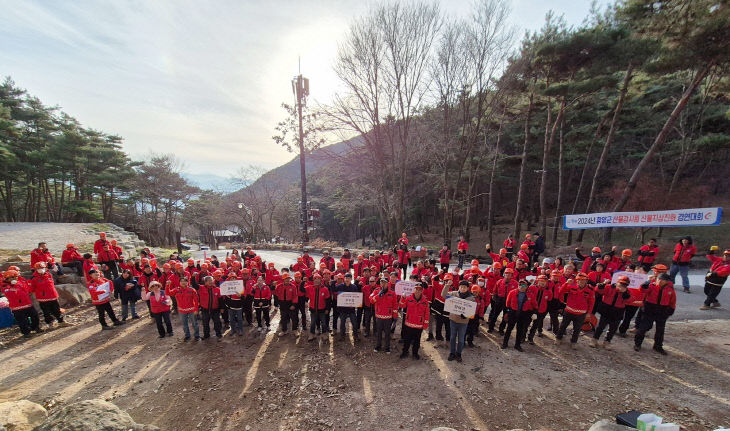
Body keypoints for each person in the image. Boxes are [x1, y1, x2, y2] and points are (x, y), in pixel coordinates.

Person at [634, 273, 676, 354]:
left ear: (666, 281)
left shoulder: (670, 289)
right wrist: (646, 283)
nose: (659, 282)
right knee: (643, 327)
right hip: (650, 309)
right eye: (658, 280)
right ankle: (637, 344)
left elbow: (672, 301)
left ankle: (658, 346)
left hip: (662, 310)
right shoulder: (652, 286)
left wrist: (671, 310)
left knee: (660, 330)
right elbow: (642, 290)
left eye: (662, 280)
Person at [555, 272, 595, 349]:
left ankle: (574, 342)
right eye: (579, 280)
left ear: (586, 281)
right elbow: (561, 292)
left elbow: (591, 302)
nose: (581, 281)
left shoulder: (590, 290)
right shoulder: (571, 286)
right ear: (576, 280)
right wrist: (566, 283)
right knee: (563, 326)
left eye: (583, 280)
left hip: (581, 314)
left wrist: (588, 313)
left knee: (577, 329)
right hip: (569, 311)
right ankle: (558, 338)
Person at [591, 276, 631, 349]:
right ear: (617, 282)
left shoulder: (627, 292)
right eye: (621, 284)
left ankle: (607, 342)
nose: (622, 286)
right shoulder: (609, 287)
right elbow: (597, 290)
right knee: (600, 326)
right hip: (606, 310)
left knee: (613, 329)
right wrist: (602, 284)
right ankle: (594, 340)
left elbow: (630, 300)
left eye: (625, 285)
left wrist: (625, 294)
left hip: (617, 312)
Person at [1, 270, 42, 338]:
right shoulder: (5, 287)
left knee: (35, 316)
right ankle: (26, 333)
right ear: (7, 279)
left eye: (15, 277)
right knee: (22, 321)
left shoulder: (20, 283)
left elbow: (27, 289)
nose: (14, 279)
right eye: (12, 277)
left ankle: (35, 327)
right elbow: (9, 294)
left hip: (28, 304)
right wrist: (13, 286)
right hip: (17, 307)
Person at [443, 280, 476, 362]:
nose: (462, 288)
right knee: (452, 337)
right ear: (459, 287)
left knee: (461, 339)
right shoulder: (453, 294)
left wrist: (466, 315)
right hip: (453, 320)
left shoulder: (471, 298)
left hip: (463, 323)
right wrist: (447, 285)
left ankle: (458, 354)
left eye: (464, 287)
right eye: (461, 287)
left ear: (468, 288)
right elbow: (443, 295)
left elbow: (472, 311)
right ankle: (452, 353)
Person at [29, 262, 69, 327]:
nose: (41, 269)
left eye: (42, 268)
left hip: (53, 296)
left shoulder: (49, 275)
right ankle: (50, 323)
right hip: (42, 298)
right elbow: (31, 289)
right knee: (46, 312)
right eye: (39, 268)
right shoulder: (33, 278)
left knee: (57, 310)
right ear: (36, 269)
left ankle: (61, 321)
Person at [502, 280, 537, 351]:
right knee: (509, 329)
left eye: (523, 285)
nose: (521, 286)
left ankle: (517, 345)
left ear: (527, 287)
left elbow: (534, 304)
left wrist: (534, 313)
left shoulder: (530, 295)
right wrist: (508, 312)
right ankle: (504, 344)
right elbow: (507, 304)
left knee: (520, 330)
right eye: (520, 284)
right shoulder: (512, 292)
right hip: (513, 313)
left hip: (523, 314)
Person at [400, 282, 429, 359]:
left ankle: (415, 353)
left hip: (419, 325)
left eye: (420, 289)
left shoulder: (425, 301)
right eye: (416, 289)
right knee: (407, 339)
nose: (418, 291)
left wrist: (425, 324)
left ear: (422, 290)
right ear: (414, 289)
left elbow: (427, 313)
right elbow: (402, 305)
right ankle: (405, 352)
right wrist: (402, 298)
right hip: (409, 324)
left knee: (417, 340)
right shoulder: (408, 298)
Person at [370, 278, 398, 353]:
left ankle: (387, 347)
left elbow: (395, 305)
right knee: (378, 332)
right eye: (382, 282)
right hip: (379, 316)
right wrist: (378, 295)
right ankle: (378, 346)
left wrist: (395, 316)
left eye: (385, 282)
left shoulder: (392, 293)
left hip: (388, 317)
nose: (383, 284)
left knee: (387, 333)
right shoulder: (376, 291)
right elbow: (371, 300)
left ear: (387, 283)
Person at [488, 267, 517, 333]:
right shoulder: (499, 282)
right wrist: (494, 297)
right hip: (499, 300)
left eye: (509, 274)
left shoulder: (515, 283)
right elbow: (495, 290)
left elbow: (517, 293)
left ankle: (501, 329)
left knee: (506, 316)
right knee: (495, 314)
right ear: (504, 274)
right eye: (506, 274)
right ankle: (491, 327)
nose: (507, 275)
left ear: (512, 275)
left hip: (508, 302)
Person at [335, 273, 360, 341]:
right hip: (342, 309)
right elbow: (334, 290)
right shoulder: (340, 286)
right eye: (346, 278)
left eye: (348, 278)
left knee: (354, 323)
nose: (347, 279)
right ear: (344, 279)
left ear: (351, 279)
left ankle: (355, 336)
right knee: (342, 323)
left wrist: (355, 304)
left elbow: (357, 297)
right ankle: (342, 336)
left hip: (351, 309)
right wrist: (334, 281)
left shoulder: (354, 287)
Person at [173, 276, 200, 341]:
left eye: (185, 281)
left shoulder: (192, 290)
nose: (183, 283)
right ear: (179, 282)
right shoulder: (177, 290)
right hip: (182, 311)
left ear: (187, 282)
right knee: (184, 324)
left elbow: (196, 301)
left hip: (191, 310)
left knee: (194, 323)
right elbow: (168, 293)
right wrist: (167, 285)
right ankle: (187, 336)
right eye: (181, 281)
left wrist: (196, 309)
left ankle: (197, 336)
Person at [306, 273, 331, 341]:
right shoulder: (310, 288)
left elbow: (328, 300)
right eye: (315, 279)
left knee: (323, 322)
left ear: (321, 280)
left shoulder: (325, 289)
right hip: (313, 309)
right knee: (312, 322)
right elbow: (302, 290)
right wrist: (303, 281)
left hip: (322, 309)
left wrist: (327, 309)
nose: (317, 280)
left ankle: (324, 333)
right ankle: (312, 334)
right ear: (313, 280)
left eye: (318, 279)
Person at [527, 275, 551, 342]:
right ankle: (522, 337)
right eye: (541, 281)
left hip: (540, 311)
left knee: (535, 325)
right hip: (530, 309)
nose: (543, 283)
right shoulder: (532, 287)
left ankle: (530, 338)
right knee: (526, 324)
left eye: (545, 281)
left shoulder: (548, 291)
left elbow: (549, 299)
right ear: (538, 281)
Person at [199, 275, 223, 341]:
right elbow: (194, 285)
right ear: (205, 282)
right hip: (205, 310)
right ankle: (206, 335)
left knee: (217, 322)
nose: (210, 282)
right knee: (205, 323)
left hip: (215, 310)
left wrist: (222, 308)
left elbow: (221, 300)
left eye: (211, 280)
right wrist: (193, 277)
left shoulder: (217, 289)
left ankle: (218, 333)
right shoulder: (201, 288)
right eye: (209, 281)